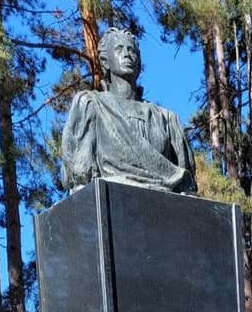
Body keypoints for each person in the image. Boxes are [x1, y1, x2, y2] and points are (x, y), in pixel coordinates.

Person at [61, 27, 197, 193]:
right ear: (105, 61)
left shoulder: (166, 119)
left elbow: (187, 188)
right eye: (119, 49)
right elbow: (81, 179)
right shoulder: (92, 105)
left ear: (139, 62)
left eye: (131, 50)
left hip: (165, 209)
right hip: (113, 202)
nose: (127, 54)